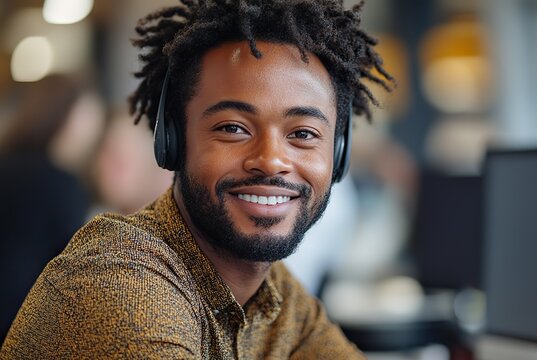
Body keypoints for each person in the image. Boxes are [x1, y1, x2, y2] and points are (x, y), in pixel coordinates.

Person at [1, 0, 393, 358]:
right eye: (233, 128)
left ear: (337, 156)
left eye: (303, 134)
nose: (272, 161)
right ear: (174, 142)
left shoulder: (275, 293)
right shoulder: (119, 281)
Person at [0, 75, 103, 343]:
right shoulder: (60, 184)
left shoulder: (8, 162)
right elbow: (74, 269)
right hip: (18, 324)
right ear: (66, 117)